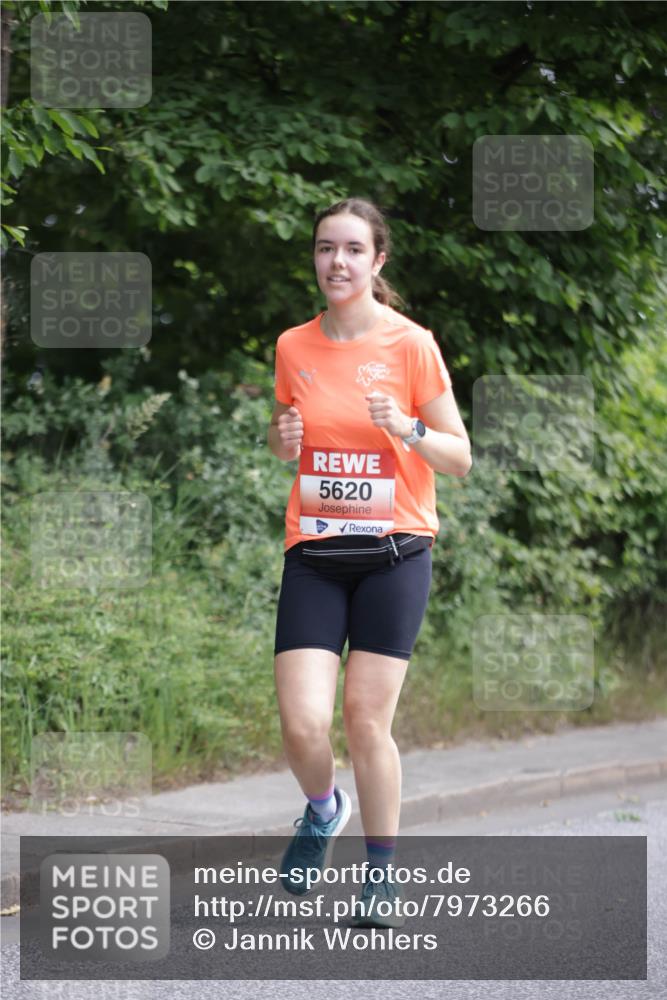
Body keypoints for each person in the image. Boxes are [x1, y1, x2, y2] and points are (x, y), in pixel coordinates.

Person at [268, 197, 471, 928]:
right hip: (317, 554)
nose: (338, 262)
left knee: (363, 720)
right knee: (299, 724)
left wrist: (409, 428)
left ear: (377, 260)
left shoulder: (411, 344)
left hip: (394, 553)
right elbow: (286, 436)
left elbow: (460, 458)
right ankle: (322, 810)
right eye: (326, 248)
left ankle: (379, 875)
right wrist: (282, 439)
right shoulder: (294, 345)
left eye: (353, 249)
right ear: (315, 258)